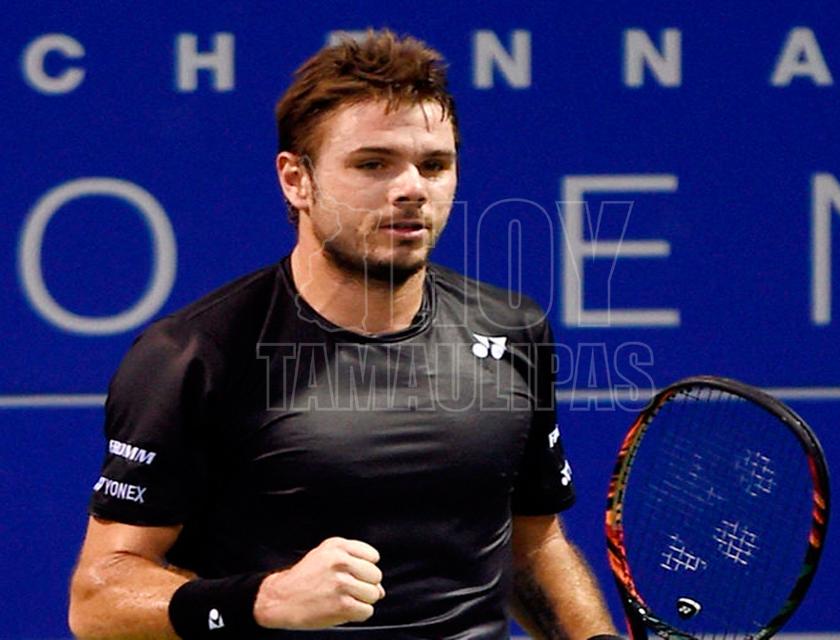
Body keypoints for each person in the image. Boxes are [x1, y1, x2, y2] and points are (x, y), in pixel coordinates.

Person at [68, 29, 622, 640]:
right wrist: (262, 599)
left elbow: (532, 546)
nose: (412, 189)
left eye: (434, 165)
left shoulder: (512, 329)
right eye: (372, 164)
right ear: (296, 180)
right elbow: (99, 599)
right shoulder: (192, 356)